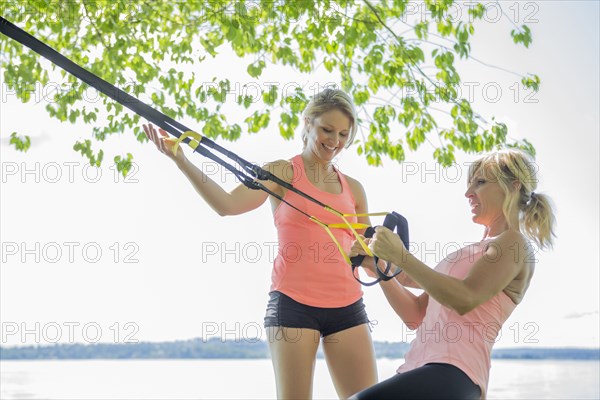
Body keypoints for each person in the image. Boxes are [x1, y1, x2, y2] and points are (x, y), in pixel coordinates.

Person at [143, 88, 378, 399]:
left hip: (348, 308)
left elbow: (367, 261)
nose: (335, 141)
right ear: (307, 123)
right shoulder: (281, 172)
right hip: (294, 306)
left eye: (344, 134)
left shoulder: (355, 189)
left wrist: (393, 261)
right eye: (327, 129)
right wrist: (181, 160)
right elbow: (227, 205)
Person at [349, 149, 556, 399]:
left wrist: (400, 257)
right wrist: (378, 266)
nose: (468, 193)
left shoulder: (514, 244)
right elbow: (415, 315)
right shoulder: (470, 252)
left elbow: (465, 298)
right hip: (420, 368)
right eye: (469, 184)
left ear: (512, 187)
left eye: (480, 182)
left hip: (453, 372)